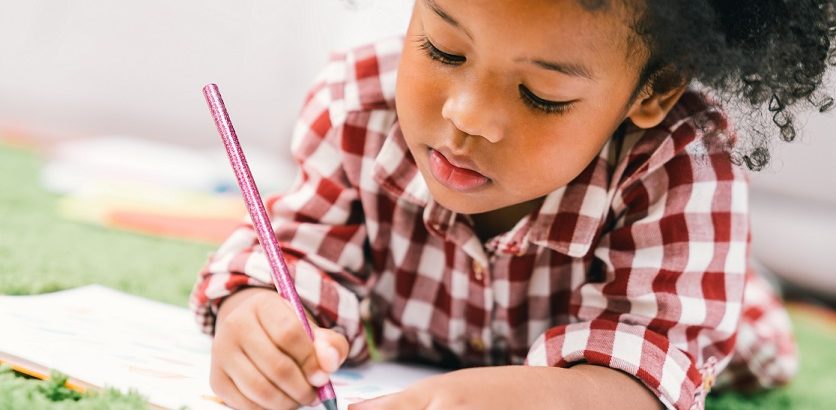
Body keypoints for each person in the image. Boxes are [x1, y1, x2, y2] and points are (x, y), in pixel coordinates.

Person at [190, 1, 835, 409]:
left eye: (540, 94)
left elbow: (652, 370)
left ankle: (752, 278)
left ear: (653, 91)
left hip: (695, 297)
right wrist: (260, 317)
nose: (465, 117)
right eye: (443, 49)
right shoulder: (357, 103)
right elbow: (297, 249)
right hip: (444, 335)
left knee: (749, 335)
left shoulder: (682, 166)